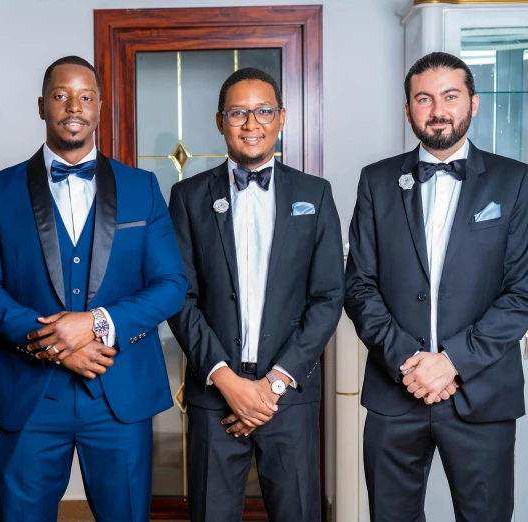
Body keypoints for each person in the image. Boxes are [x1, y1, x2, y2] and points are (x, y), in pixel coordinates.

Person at [0, 55, 187, 522]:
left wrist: (98, 323)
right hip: (29, 397)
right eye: (61, 96)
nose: (73, 107)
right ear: (42, 105)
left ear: (100, 106)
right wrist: (54, 345)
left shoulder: (142, 187)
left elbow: (171, 285)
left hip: (118, 394)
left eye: (85, 97)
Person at [345, 51, 528, 521]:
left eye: (450, 96)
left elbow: (522, 292)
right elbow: (360, 287)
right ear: (407, 109)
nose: (437, 109)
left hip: (482, 392)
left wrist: (451, 363)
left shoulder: (516, 182)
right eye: (423, 99)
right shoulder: (376, 181)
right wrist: (411, 363)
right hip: (394, 391)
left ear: (474, 103)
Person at [166, 67, 344, 522]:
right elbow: (180, 297)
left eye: (263, 111)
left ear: (281, 117)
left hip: (288, 398)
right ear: (220, 120)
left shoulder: (316, 194)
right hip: (214, 396)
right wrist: (227, 381)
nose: (252, 123)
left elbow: (327, 297)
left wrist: (271, 386)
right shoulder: (187, 197)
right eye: (238, 113)